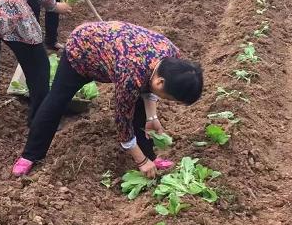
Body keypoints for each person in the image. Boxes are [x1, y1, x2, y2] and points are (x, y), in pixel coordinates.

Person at [12, 21, 203, 178]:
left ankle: (150, 154)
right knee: (57, 101)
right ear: (160, 82)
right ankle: (30, 155)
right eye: (168, 97)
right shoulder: (132, 74)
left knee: (140, 112)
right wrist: (140, 162)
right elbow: (122, 122)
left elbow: (150, 89)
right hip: (83, 49)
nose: (166, 99)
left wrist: (152, 117)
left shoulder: (173, 57)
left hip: (115, 52)